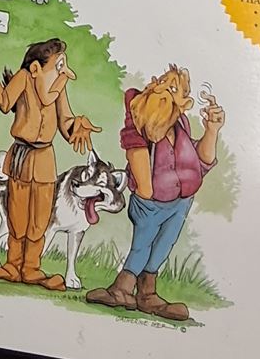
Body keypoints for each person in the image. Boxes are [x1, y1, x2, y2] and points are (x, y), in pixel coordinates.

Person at [86, 65, 223, 319]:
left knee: (163, 246)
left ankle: (147, 294)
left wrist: (212, 131)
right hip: (150, 203)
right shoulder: (143, 121)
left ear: (184, 102)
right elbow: (136, 150)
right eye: (161, 82)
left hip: (180, 202)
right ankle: (121, 289)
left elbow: (201, 161)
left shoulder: (181, 125)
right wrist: (146, 193)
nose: (162, 88)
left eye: (174, 88)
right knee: (142, 245)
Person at [0, 40, 100, 288]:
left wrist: (76, 126)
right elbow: (5, 102)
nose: (63, 71)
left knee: (40, 218)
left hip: (44, 160)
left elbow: (65, 120)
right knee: (17, 214)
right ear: (36, 69)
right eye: (58, 66)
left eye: (63, 65)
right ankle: (12, 265)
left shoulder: (57, 87)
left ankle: (31, 268)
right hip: (21, 156)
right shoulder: (24, 78)